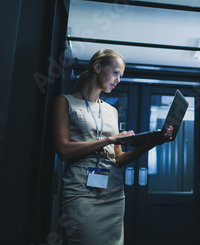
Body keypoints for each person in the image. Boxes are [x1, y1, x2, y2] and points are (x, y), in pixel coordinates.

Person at [52, 49, 173, 245]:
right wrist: (110, 140)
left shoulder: (111, 111)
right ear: (97, 66)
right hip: (81, 191)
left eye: (120, 76)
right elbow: (63, 150)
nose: (118, 80)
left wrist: (152, 142)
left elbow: (118, 158)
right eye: (116, 73)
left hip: (114, 193)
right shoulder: (65, 102)